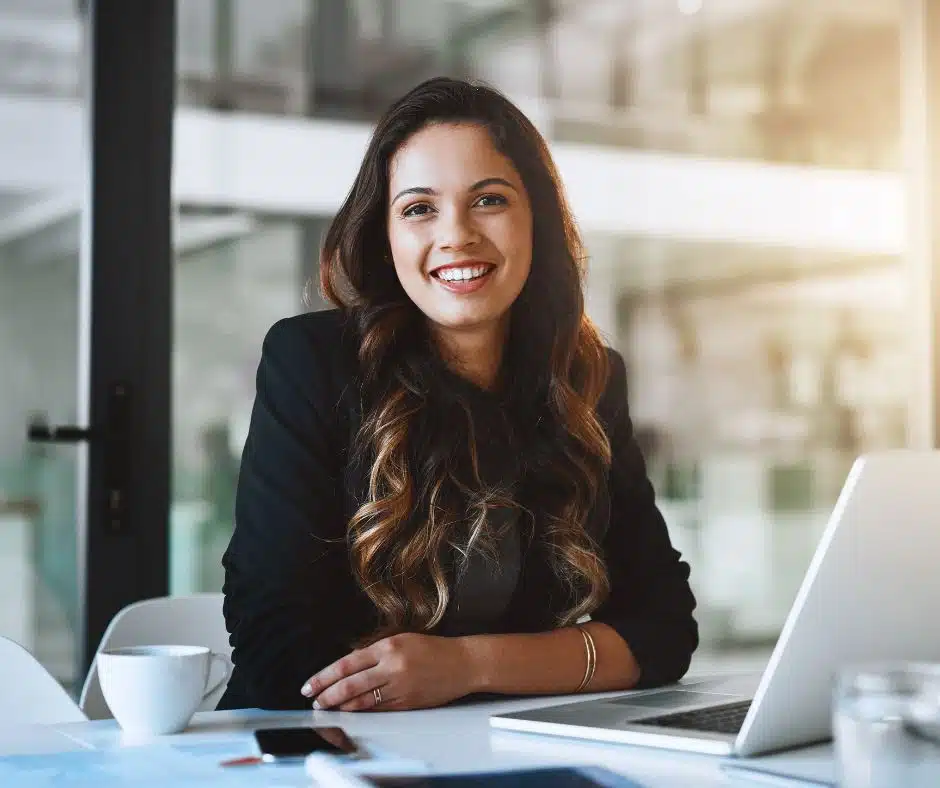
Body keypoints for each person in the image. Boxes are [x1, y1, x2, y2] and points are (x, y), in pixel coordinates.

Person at [218, 77, 698, 712]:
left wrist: (468, 665)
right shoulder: (311, 363)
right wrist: (548, 663)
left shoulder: (588, 378)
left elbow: (663, 631)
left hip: (506, 752)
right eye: (419, 208)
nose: (458, 235)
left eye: (489, 200)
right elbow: (278, 651)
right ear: (386, 238)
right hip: (323, 756)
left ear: (538, 221)